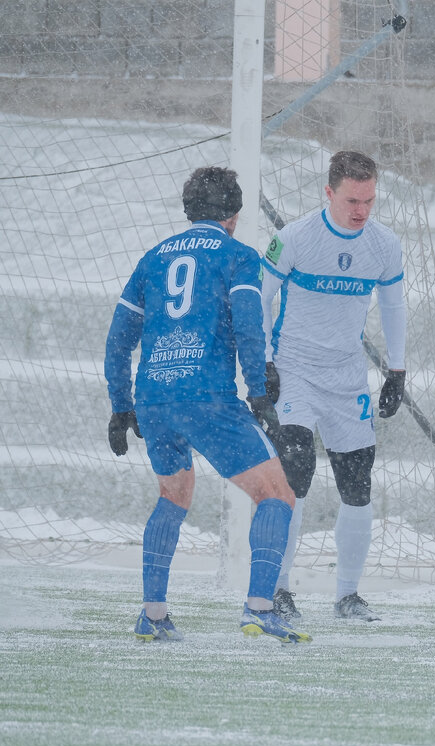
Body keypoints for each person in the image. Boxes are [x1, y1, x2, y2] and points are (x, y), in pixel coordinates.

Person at [104, 165, 310, 644]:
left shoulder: (152, 258)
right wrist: (258, 392)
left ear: (188, 209)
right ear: (235, 215)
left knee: (172, 496)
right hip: (207, 398)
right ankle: (260, 608)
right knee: (277, 494)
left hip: (155, 399)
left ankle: (152, 614)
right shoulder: (238, 255)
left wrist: (121, 406)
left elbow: (118, 343)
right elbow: (248, 325)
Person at [260, 150, 407, 623]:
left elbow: (393, 306)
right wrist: (263, 362)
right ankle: (279, 589)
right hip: (296, 370)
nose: (361, 210)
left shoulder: (384, 245)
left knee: (357, 483)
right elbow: (261, 299)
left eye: (368, 200)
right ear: (328, 193)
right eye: (351, 200)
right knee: (296, 471)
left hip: (347, 377)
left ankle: (348, 595)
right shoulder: (295, 238)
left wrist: (397, 370)